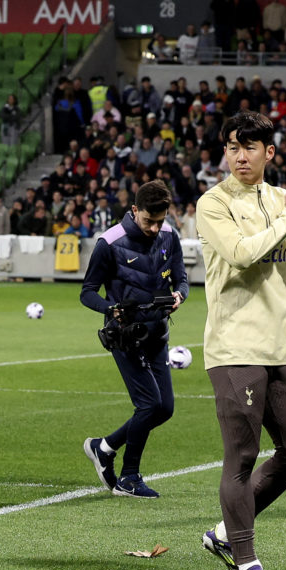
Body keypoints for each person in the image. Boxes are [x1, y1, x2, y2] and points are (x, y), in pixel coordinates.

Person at [196, 109, 286, 570]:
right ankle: (247, 561)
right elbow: (243, 255)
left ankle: (225, 533)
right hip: (234, 350)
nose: (240, 155)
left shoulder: (283, 199)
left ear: (269, 153)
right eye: (232, 146)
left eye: (250, 147)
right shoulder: (212, 204)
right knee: (242, 457)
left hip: (283, 348)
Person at [79, 181, 188, 498]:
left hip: (157, 332)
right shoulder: (109, 242)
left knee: (164, 408)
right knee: (149, 404)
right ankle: (129, 478)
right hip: (124, 335)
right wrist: (110, 308)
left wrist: (180, 293)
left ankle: (104, 447)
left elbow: (181, 275)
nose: (155, 228)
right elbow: (87, 292)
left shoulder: (170, 235)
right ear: (134, 211)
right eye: (148, 221)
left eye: (160, 221)